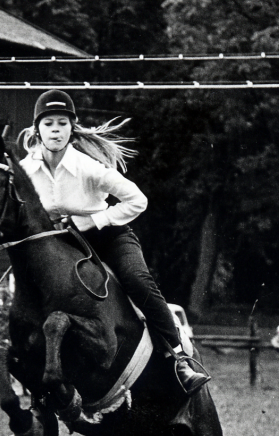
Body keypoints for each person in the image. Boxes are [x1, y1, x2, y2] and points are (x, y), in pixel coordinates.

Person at [17, 89, 209, 395]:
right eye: (49, 123)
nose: (55, 130)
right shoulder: (25, 170)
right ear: (37, 129)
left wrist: (92, 220)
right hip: (63, 246)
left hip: (108, 237)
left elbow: (138, 201)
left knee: (137, 280)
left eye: (62, 123)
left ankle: (179, 359)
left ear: (72, 128)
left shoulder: (88, 167)